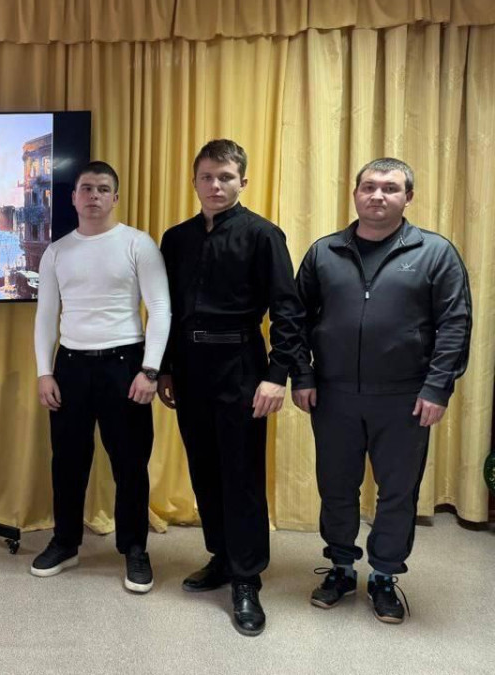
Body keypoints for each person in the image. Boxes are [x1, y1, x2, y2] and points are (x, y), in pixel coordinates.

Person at [292, 158, 471, 624]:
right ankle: (340, 568)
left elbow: (454, 323)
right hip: (333, 396)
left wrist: (437, 388)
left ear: (407, 197)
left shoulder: (435, 252)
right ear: (355, 193)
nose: (377, 195)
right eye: (369, 186)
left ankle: (385, 576)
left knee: (397, 492)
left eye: (390, 188)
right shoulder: (324, 252)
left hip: (405, 398)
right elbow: (294, 319)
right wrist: (303, 376)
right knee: (336, 487)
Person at [158, 139, 304, 636]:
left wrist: (277, 374)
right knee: (204, 468)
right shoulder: (176, 239)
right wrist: (165, 368)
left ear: (243, 180)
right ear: (194, 181)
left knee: (241, 473)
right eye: (207, 177)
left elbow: (288, 311)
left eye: (225, 177)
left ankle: (246, 578)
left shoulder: (264, 235)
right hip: (189, 366)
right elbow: (167, 310)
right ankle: (221, 557)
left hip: (241, 364)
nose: (215, 185)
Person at [31, 161, 171, 594]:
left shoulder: (137, 244)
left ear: (115, 197)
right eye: (86, 188)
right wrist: (44, 372)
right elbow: (46, 316)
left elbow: (160, 308)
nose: (94, 195)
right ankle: (65, 541)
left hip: (125, 366)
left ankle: (135, 548)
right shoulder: (56, 252)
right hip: (71, 366)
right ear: (73, 198)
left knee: (130, 464)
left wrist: (150, 370)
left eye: (103, 189)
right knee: (67, 461)